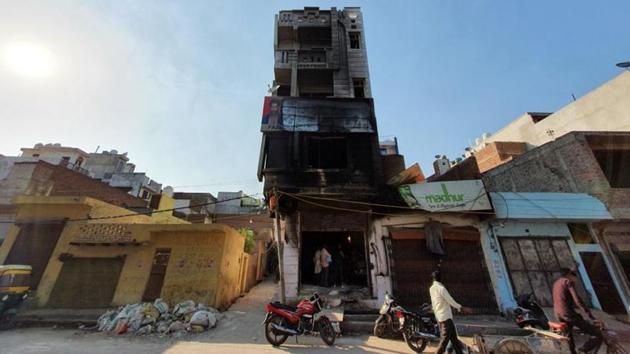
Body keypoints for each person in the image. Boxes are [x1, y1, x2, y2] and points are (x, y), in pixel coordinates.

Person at [553, 267, 602, 354]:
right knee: (597, 335)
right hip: (567, 314)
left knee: (569, 336)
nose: (574, 279)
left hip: (558, 314)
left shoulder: (556, 283)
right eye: (573, 276)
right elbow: (578, 300)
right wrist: (590, 316)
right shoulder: (568, 282)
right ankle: (583, 350)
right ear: (569, 275)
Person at [430, 270, 471, 354]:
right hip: (445, 317)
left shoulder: (432, 288)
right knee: (444, 342)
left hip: (441, 317)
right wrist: (462, 308)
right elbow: (450, 301)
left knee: (454, 341)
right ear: (440, 278)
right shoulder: (441, 288)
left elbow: (434, 302)